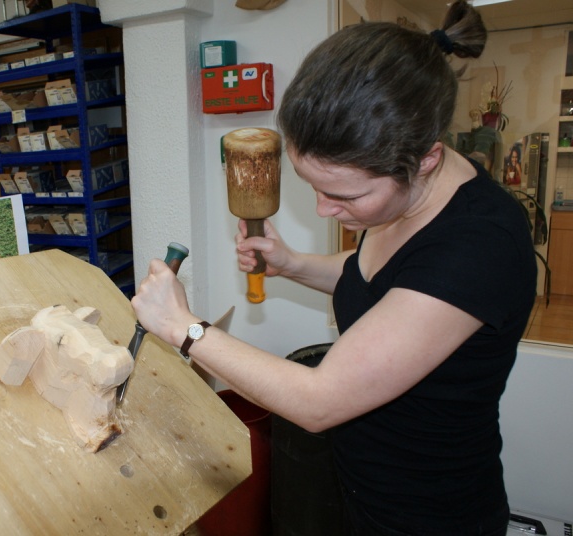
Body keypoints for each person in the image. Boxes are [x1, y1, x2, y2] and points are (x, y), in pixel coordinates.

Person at [131, 1, 537, 534]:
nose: (324, 210)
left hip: (428, 516)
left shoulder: (480, 245)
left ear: (426, 160)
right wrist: (293, 264)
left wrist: (183, 329)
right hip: (361, 488)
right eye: (314, 187)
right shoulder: (407, 200)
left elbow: (318, 401)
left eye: (344, 195)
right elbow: (386, 275)